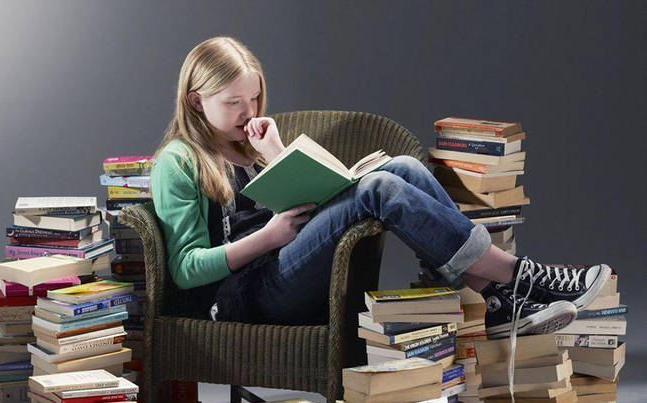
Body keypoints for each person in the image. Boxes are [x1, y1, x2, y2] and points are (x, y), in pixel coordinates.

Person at [150, 36, 611, 345]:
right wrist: (268, 237)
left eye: (254, 98)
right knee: (381, 188)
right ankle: (518, 277)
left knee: (403, 167)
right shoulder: (179, 160)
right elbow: (186, 270)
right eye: (233, 102)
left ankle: (491, 299)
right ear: (196, 100)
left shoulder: (248, 144)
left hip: (287, 267)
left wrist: (276, 154)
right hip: (243, 299)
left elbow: (299, 204)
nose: (249, 111)